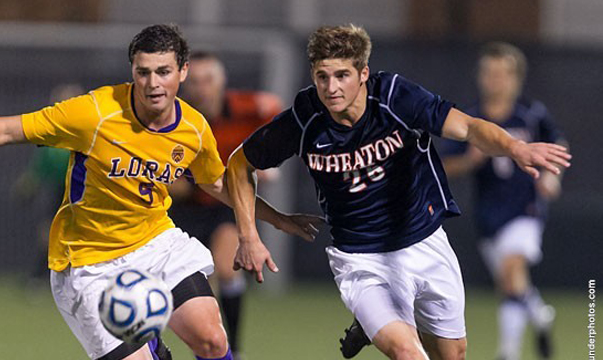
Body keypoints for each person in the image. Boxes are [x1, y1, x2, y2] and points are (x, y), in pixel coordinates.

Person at [0, 24, 318, 360]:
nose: (152, 83)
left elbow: (219, 184)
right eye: (142, 71)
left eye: (163, 71)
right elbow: (10, 129)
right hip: (89, 261)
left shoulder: (193, 129)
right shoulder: (95, 113)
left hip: (154, 244)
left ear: (183, 71)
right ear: (132, 70)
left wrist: (275, 218)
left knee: (211, 338)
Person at [226, 24, 571, 360]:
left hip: (424, 241)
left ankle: (378, 322)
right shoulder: (305, 118)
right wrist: (249, 235)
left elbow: (467, 127)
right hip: (362, 258)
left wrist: (513, 147)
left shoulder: (394, 98)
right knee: (409, 353)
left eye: (342, 75)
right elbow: (239, 165)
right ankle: (382, 318)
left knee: (453, 354)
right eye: (322, 76)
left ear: (363, 73)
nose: (331, 87)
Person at [440, 42, 567, 360]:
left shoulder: (531, 114)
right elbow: (445, 166)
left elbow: (558, 144)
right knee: (511, 285)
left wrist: (552, 177)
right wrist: (470, 160)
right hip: (488, 213)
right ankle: (539, 313)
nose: (496, 80)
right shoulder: (470, 119)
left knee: (512, 270)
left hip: (525, 207)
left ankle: (508, 353)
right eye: (490, 73)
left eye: (503, 74)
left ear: (516, 79)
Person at [168, 51, 282, 358]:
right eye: (195, 82)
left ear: (222, 83)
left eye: (208, 80)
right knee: (191, 283)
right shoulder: (175, 118)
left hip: (224, 206)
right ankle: (204, 344)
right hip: (184, 207)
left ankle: (235, 348)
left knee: (227, 269)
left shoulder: (249, 108)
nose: (201, 88)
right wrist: (176, 183)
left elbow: (277, 112)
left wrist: (266, 160)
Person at [13, 84, 83, 294]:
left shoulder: (87, 132)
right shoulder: (53, 136)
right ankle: (40, 277)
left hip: (84, 193)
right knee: (49, 235)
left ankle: (72, 280)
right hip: (59, 192)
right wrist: (28, 186)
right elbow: (40, 167)